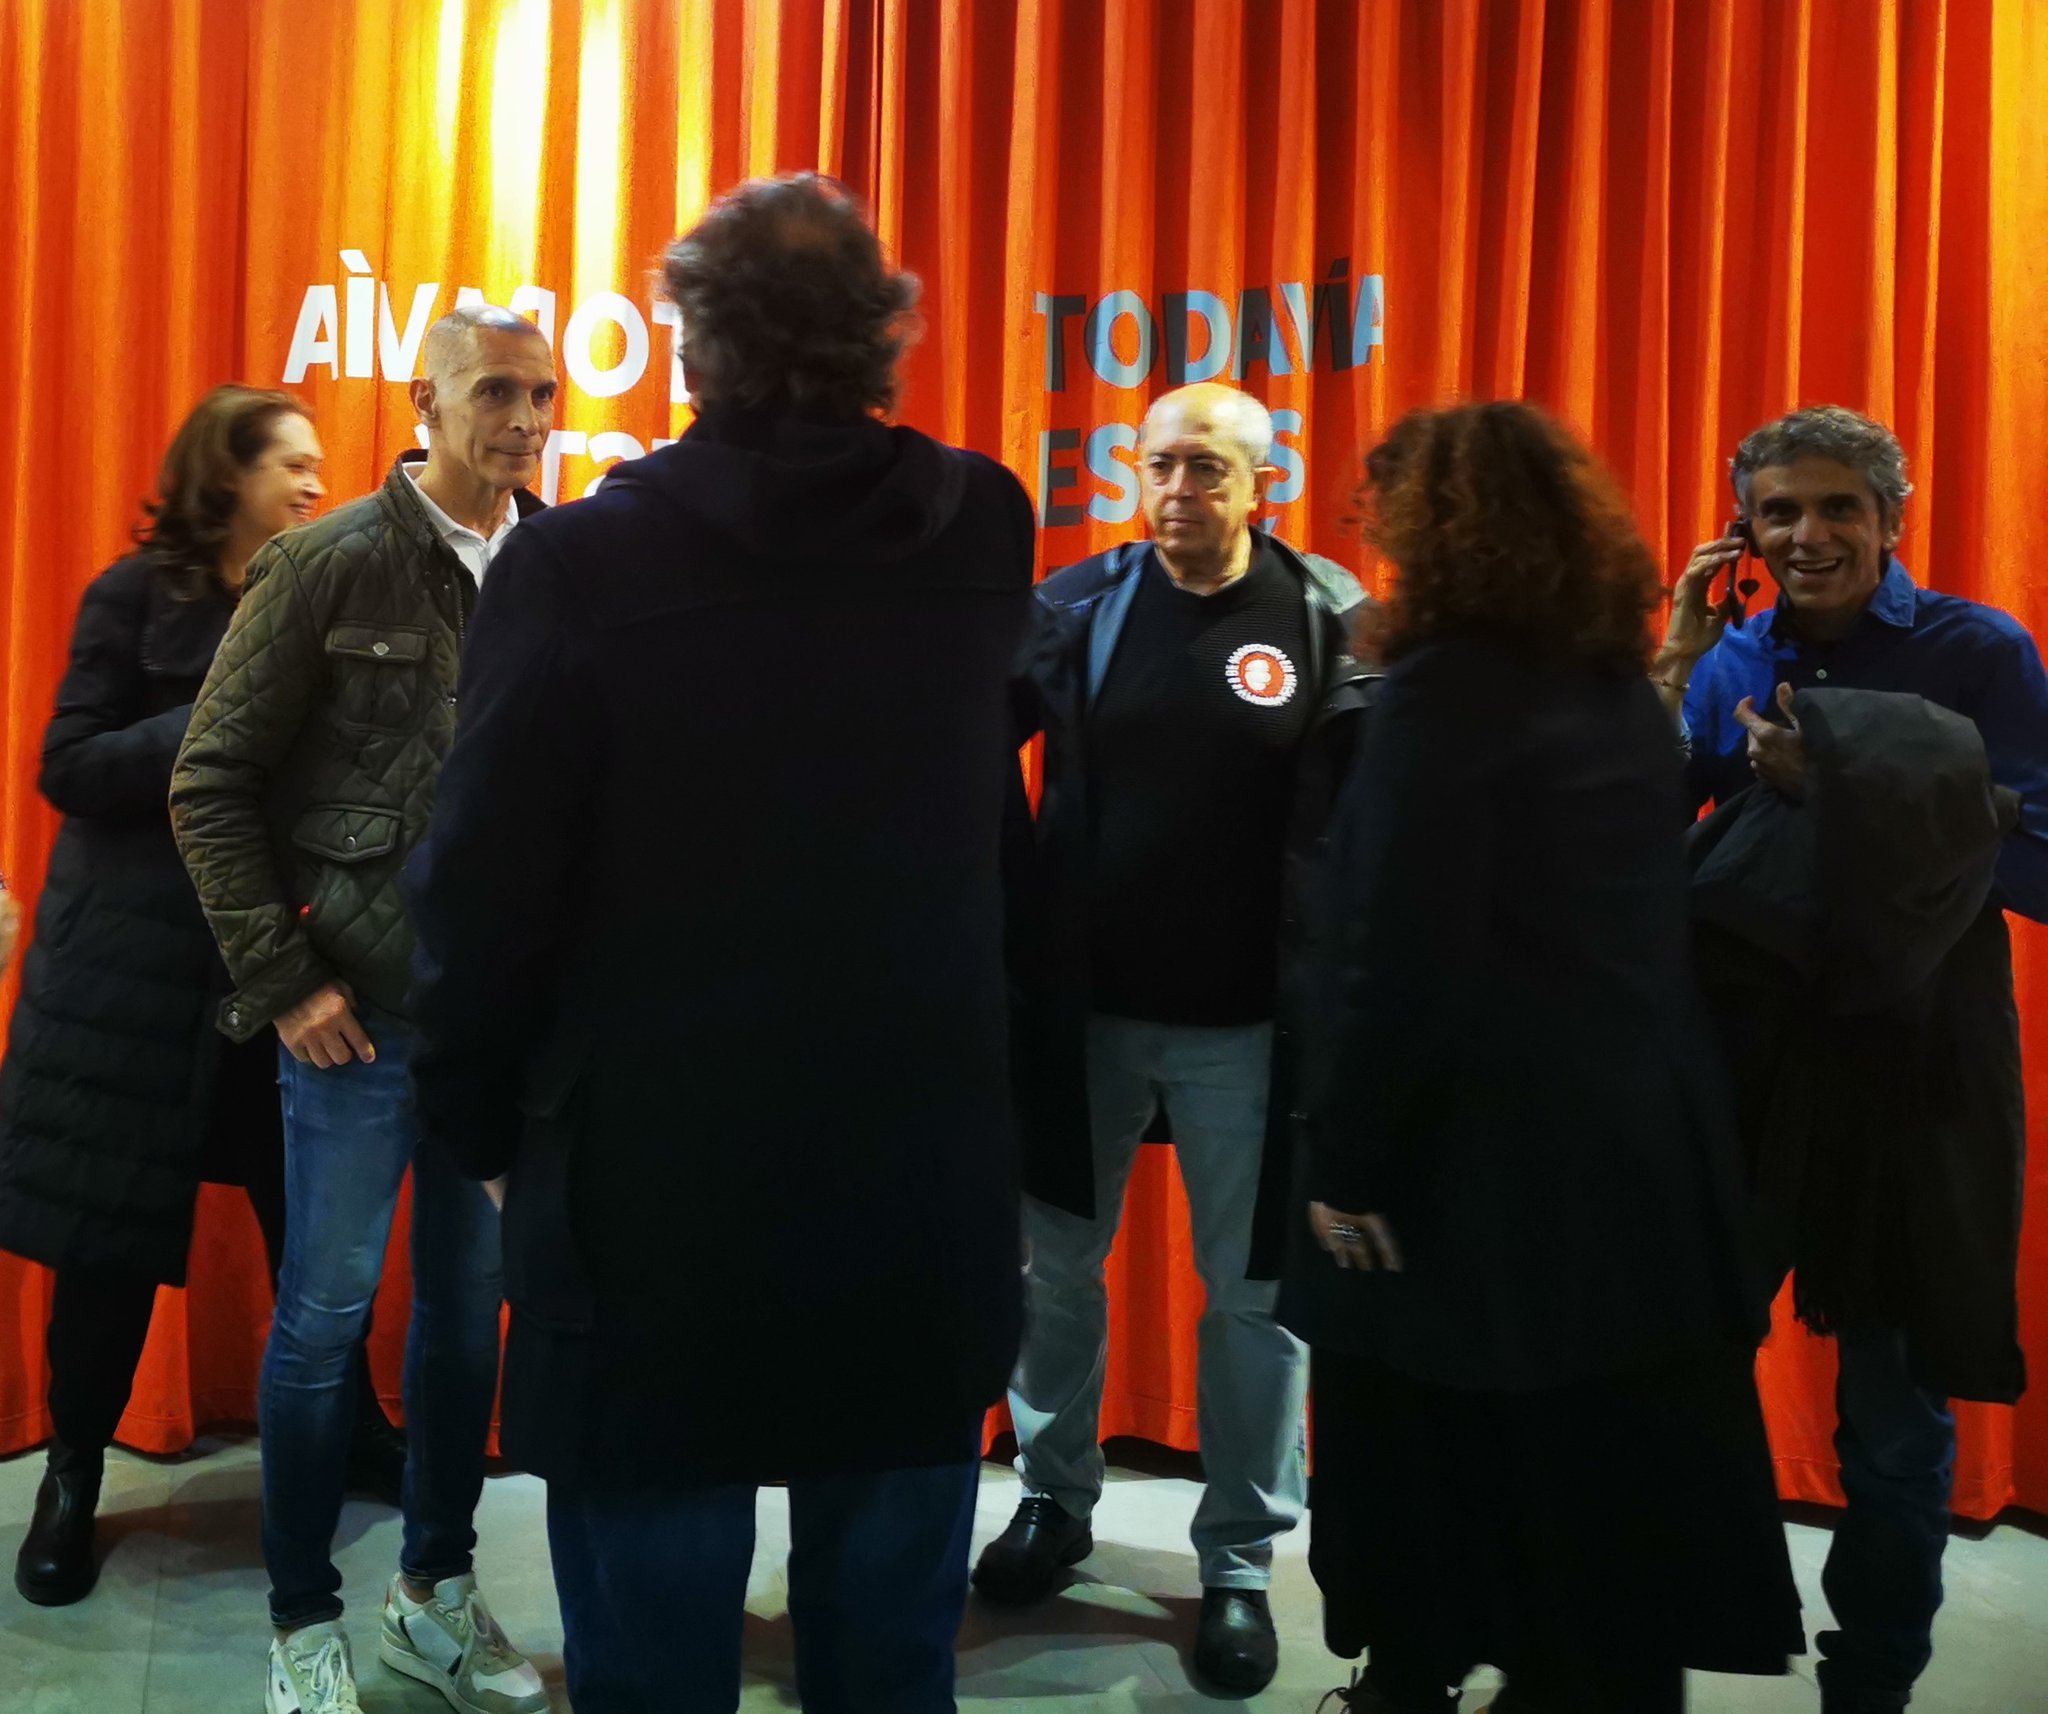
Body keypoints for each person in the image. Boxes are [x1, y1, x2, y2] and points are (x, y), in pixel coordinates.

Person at [404, 173, 1036, 1714]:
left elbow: (479, 885)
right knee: (890, 1670)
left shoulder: (578, 564)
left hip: (653, 1198)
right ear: (881, 334)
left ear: (692, 344)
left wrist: (483, 1130)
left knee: (650, 1667)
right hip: (913, 1179)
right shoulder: (983, 523)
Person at [1289, 402, 1803, 1714]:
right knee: (1595, 1516)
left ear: (1436, 535)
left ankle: (1414, 1674)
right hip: (1633, 1167)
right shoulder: (1614, 692)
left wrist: (1345, 1166)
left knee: (1438, 1483)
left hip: (1474, 1178)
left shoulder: (1439, 697)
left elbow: (1395, 954)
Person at [169, 311, 556, 1714]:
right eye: (495, 391)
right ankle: (300, 1619)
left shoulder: (562, 567)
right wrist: (285, 979)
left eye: (543, 393)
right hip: (357, 1022)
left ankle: (433, 1594)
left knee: (464, 1322)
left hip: (500, 1027)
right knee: (323, 1319)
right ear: (424, 402)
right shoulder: (328, 560)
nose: (525, 418)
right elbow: (209, 780)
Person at [1655, 405, 2048, 1714]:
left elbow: (2039, 857)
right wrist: (1675, 656)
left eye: (1836, 507)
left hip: (1913, 1062)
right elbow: (1644, 832)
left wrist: (1841, 776)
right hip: (1745, 1057)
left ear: (1892, 518)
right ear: (1743, 531)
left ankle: (1870, 1683)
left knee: (1891, 1410)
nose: (1807, 535)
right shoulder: (1731, 652)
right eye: (1778, 512)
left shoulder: (1976, 650)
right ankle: (1651, 1649)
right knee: (1674, 1361)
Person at [980, 380, 1363, 1693]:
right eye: (1158, 466)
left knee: (1255, 1297)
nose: (1177, 491)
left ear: (1263, 484)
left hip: (1253, 1027)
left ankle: (1240, 1559)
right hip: (1082, 1010)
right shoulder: (1077, 606)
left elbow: (1379, 808)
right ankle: (1052, 1498)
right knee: (1053, 1270)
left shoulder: (1327, 616)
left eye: (1205, 469)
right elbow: (965, 749)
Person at [0, 387, 404, 1611]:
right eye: (294, 463)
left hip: (273, 971)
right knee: (108, 1246)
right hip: (129, 983)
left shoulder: (321, 599)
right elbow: (69, 766)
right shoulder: (131, 597)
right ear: (225, 475)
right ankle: (74, 1472)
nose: (317, 483)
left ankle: (355, 1430)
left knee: (314, 1219)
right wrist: (212, 716)